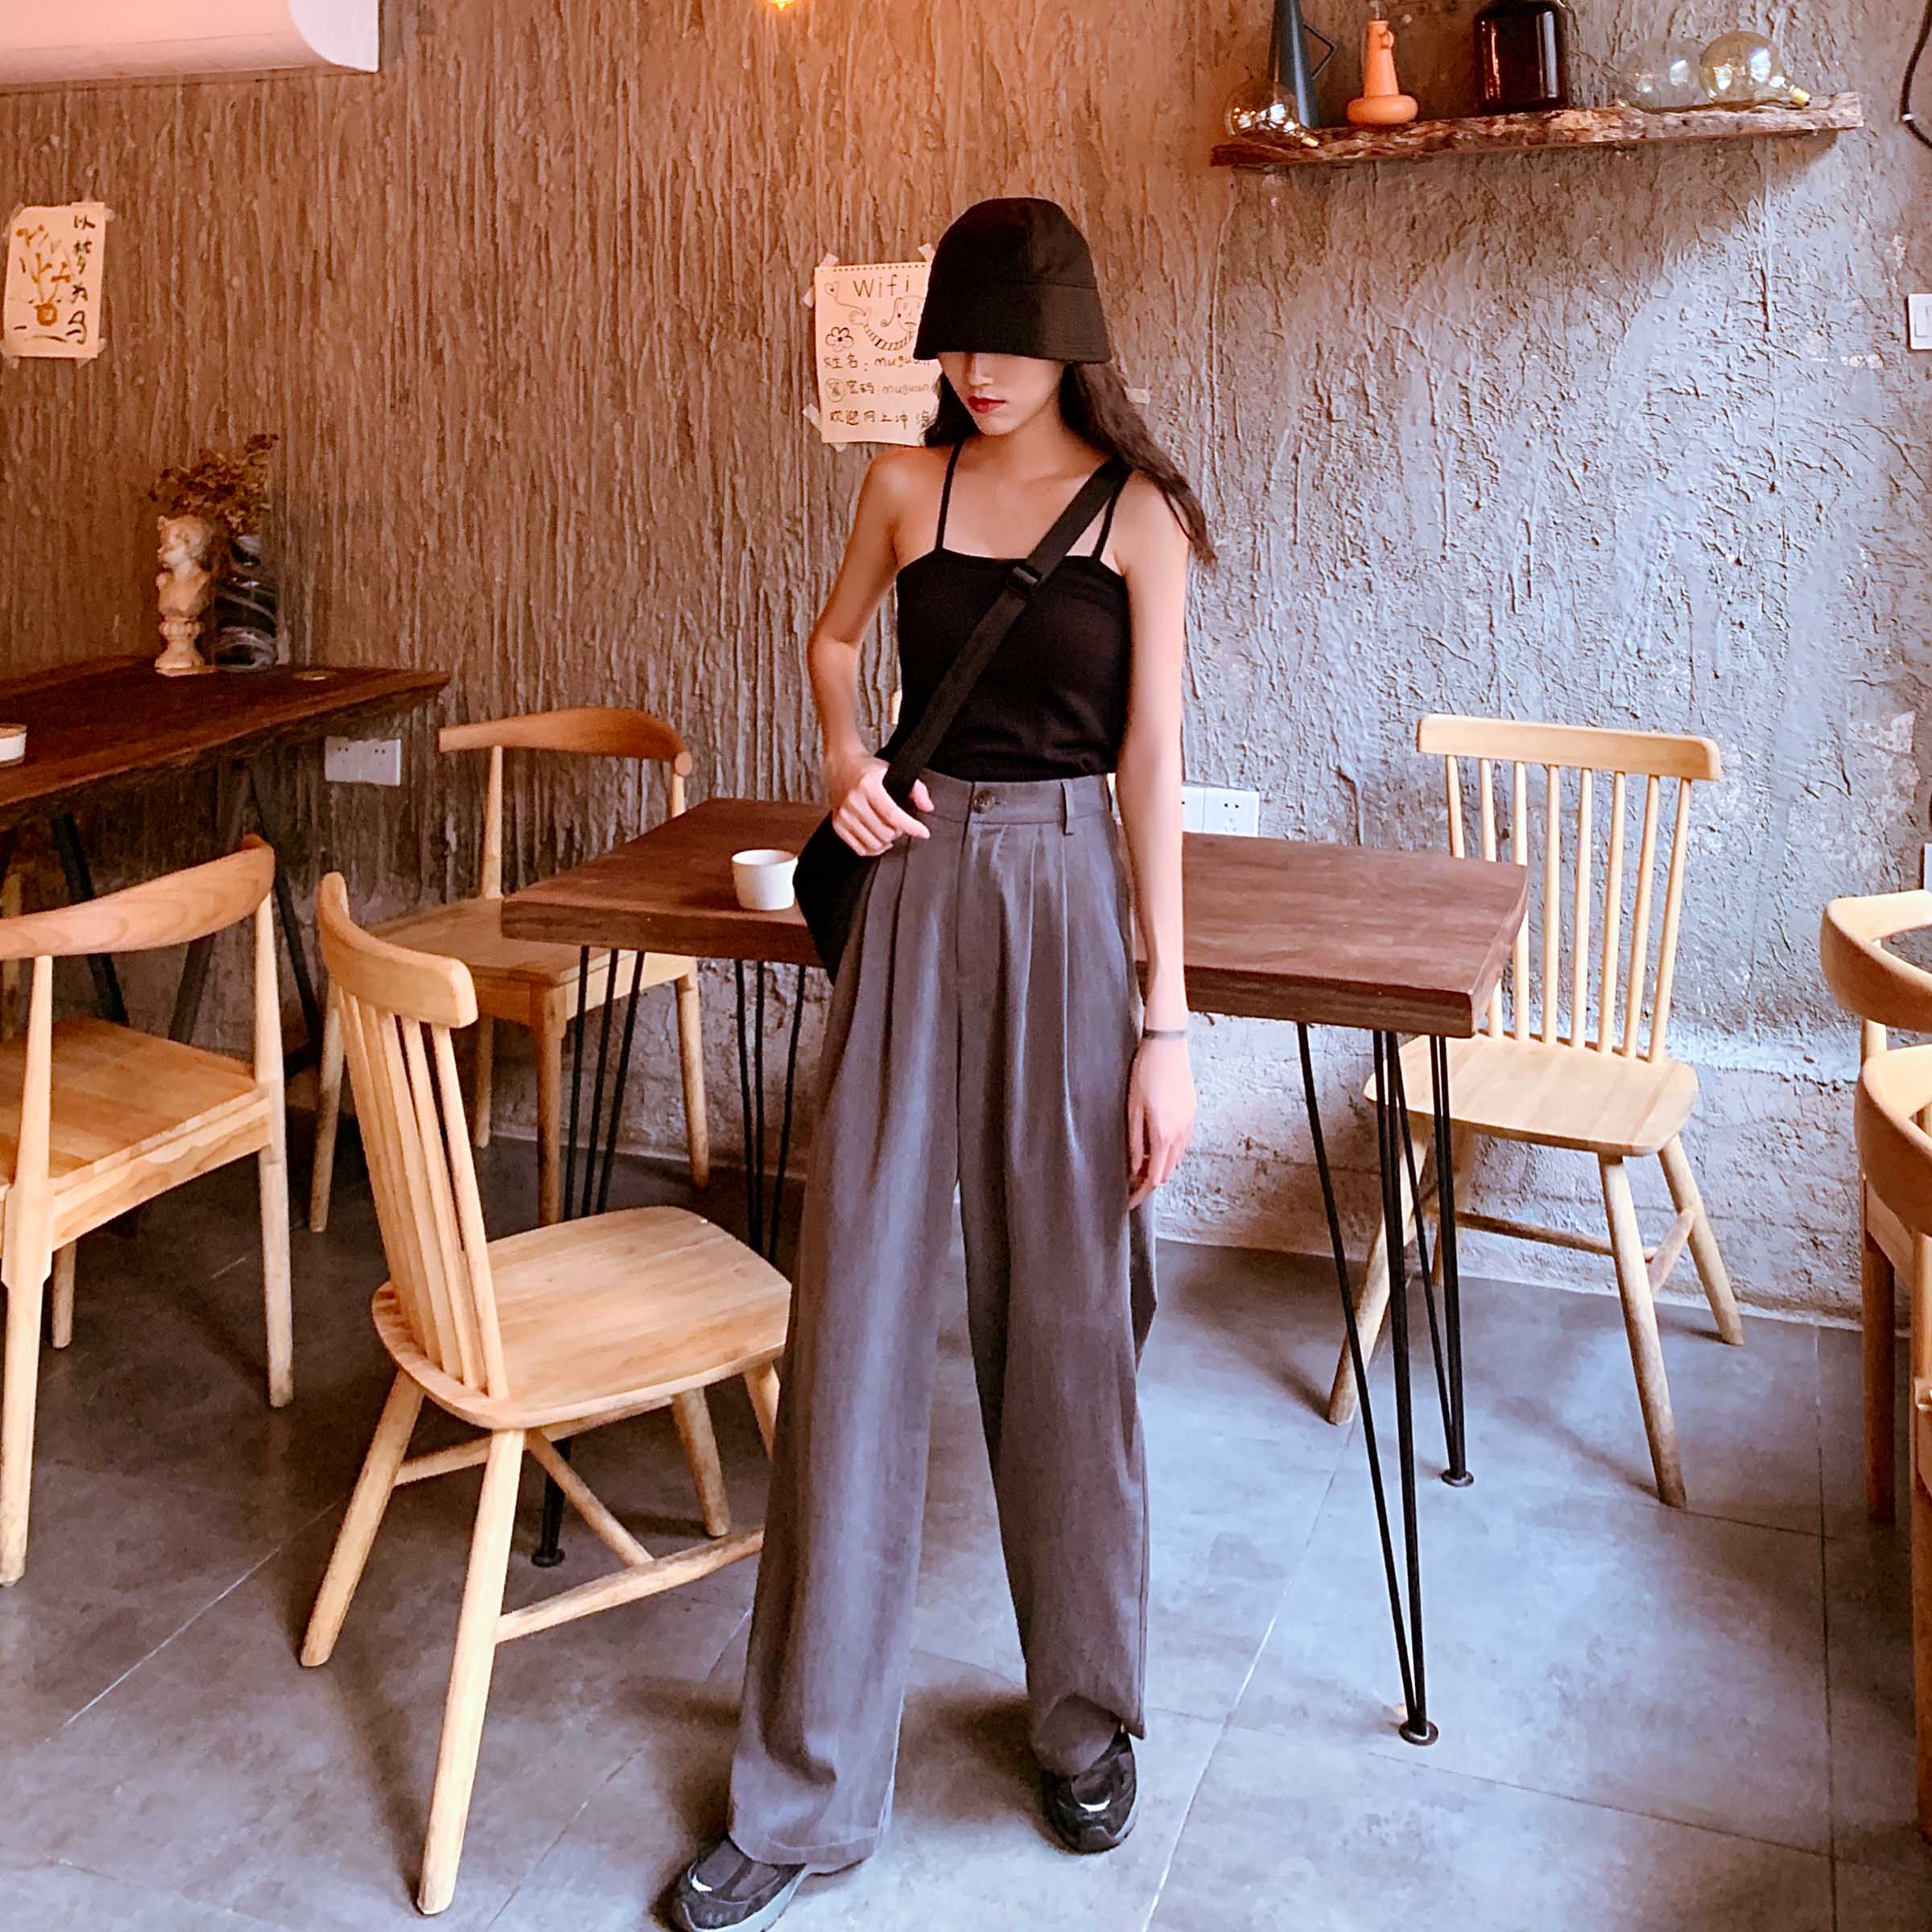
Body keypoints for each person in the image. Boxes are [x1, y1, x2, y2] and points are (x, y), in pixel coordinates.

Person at [667, 196, 1212, 1932]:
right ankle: (805, 1789)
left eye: (1011, 338)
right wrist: (844, 760)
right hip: (912, 890)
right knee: (854, 1318)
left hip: (1066, 896)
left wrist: (1166, 1026)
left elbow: (1149, 769)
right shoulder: (906, 486)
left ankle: (1084, 1721)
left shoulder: (1140, 516)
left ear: (1074, 342)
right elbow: (835, 642)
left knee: (1069, 1318)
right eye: (957, 338)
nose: (979, 368)